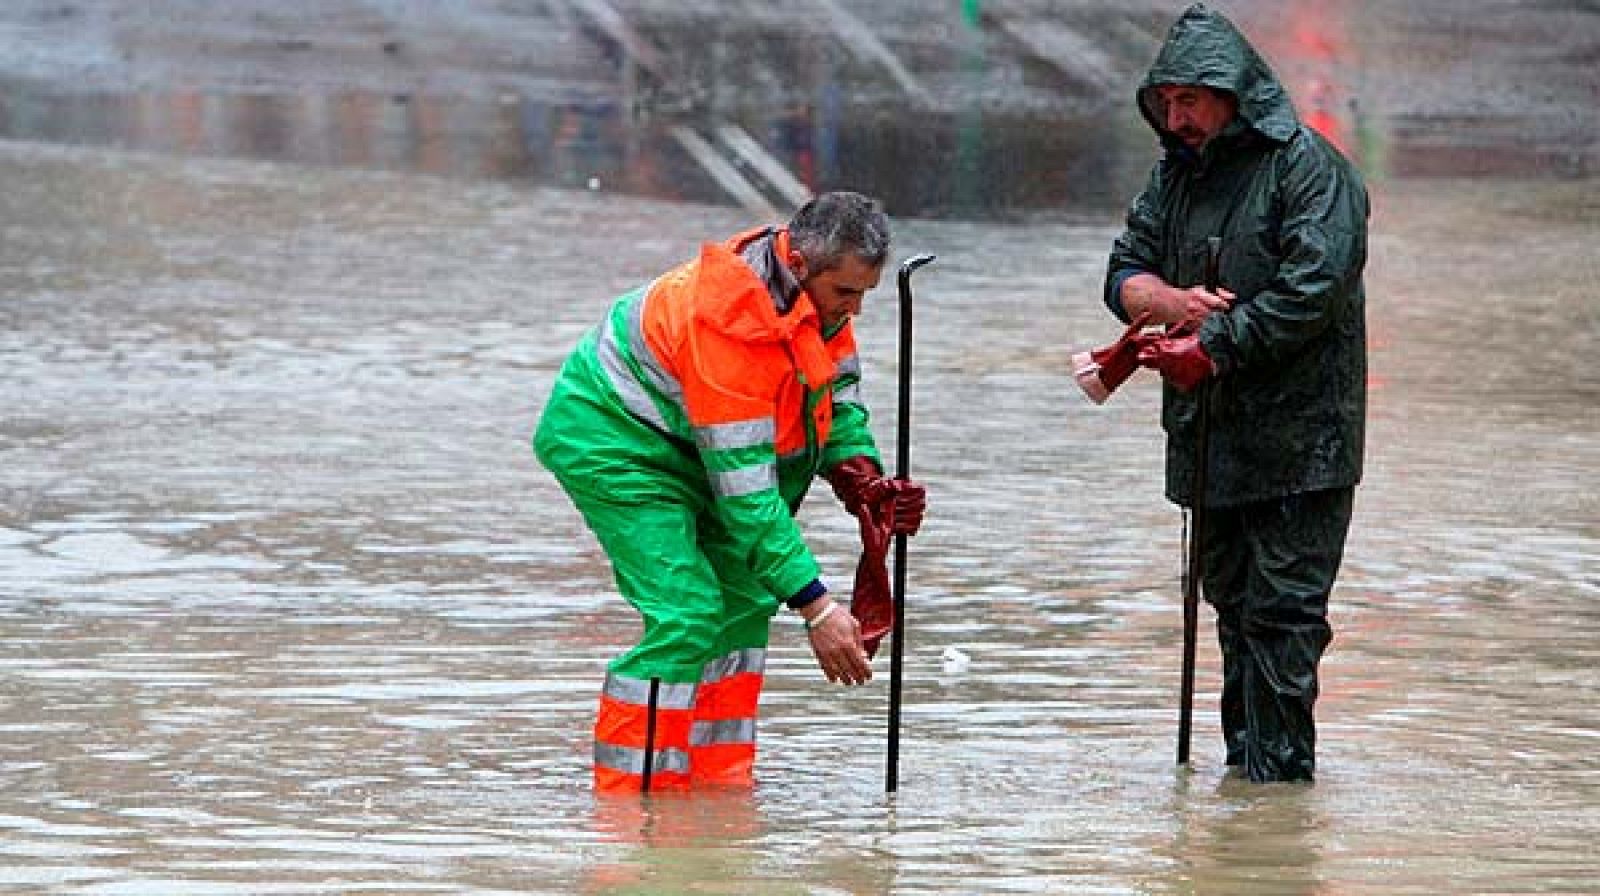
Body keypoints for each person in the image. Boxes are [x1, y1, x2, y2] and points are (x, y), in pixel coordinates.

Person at [534, 191, 926, 793]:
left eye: (866, 294)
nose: (856, 310)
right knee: (687, 612)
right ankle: (635, 803)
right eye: (846, 292)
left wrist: (862, 477)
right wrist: (818, 608)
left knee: (743, 607)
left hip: (697, 449)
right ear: (798, 264)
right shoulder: (726, 324)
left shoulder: (820, 308)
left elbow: (836, 402)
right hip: (618, 442)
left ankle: (718, 795)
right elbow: (747, 496)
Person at [1099, 3, 1369, 782]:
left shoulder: (1310, 170)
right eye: (1166, 102)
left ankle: (1278, 788)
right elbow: (1122, 272)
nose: (1176, 118)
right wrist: (1167, 302)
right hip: (1210, 438)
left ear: (1233, 95)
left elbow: (1314, 289)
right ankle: (1247, 791)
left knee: (1284, 618)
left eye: (1190, 101)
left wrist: (1214, 346)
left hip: (1303, 446)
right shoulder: (1175, 176)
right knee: (1233, 610)